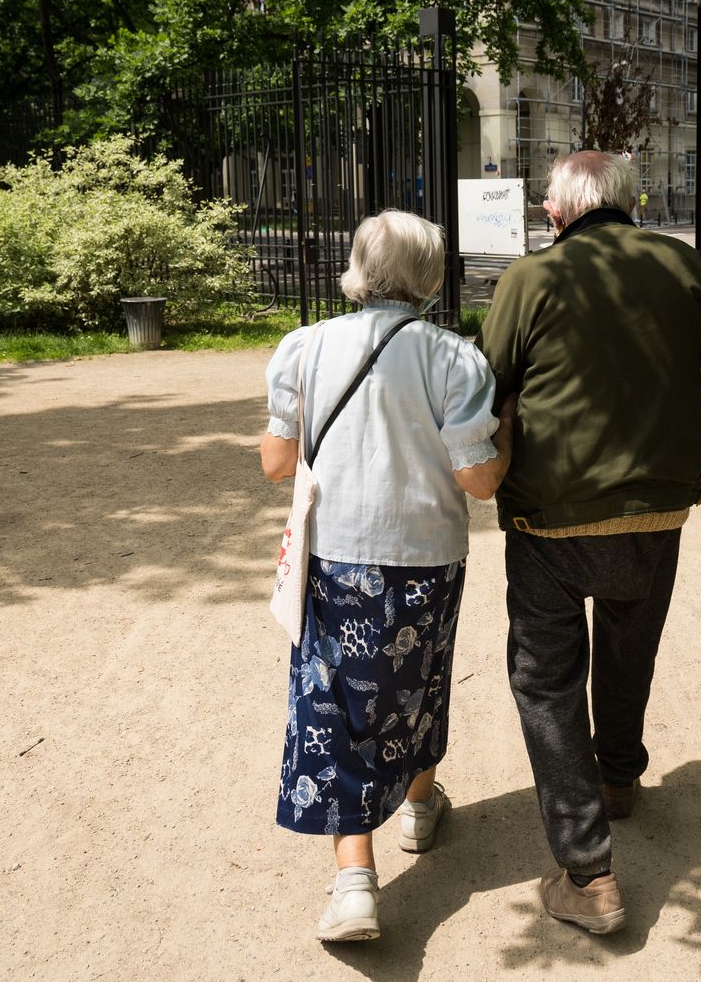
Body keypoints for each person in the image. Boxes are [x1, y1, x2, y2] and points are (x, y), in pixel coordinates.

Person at [476, 151, 701, 934]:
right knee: (629, 641)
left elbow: (485, 388)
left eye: (547, 204)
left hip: (550, 513)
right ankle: (617, 777)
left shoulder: (529, 280)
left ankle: (589, 873)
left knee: (545, 680)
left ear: (566, 209)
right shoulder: (680, 265)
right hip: (655, 508)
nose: (543, 213)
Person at [260, 210, 514, 943]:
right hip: (428, 554)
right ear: (432, 280)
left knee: (331, 702)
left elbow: (277, 464)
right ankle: (419, 805)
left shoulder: (304, 348)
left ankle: (354, 885)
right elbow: (480, 482)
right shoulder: (454, 359)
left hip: (336, 554)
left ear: (357, 270)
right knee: (421, 679)